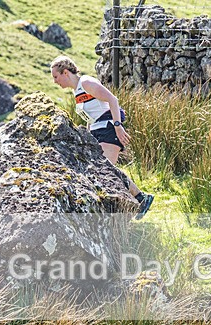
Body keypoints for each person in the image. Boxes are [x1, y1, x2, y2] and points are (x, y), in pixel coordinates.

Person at [50, 55, 153, 219]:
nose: (55, 81)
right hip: (97, 131)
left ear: (66, 72)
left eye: (56, 76)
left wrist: (118, 126)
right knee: (104, 171)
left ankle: (139, 199)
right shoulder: (77, 92)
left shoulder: (86, 82)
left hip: (109, 128)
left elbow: (113, 99)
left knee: (105, 171)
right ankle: (138, 199)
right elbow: (91, 117)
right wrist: (88, 138)